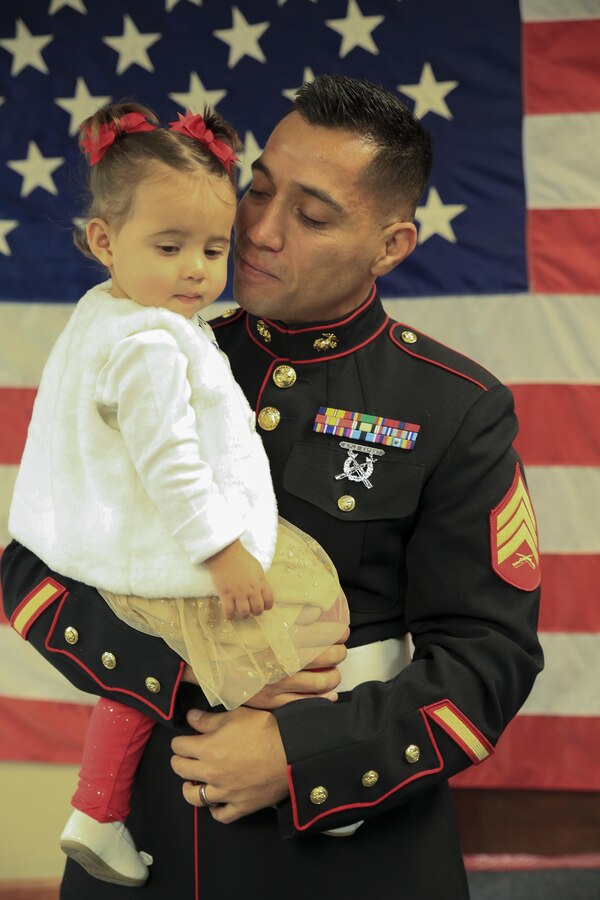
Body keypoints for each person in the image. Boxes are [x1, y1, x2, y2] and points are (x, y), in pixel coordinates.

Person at [1, 75, 543, 900]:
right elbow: (31, 568)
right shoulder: (142, 349)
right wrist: (183, 670)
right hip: (141, 847)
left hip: (344, 858)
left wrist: (301, 756)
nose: (258, 229)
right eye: (257, 188)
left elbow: (486, 660)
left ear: (391, 244)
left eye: (313, 215)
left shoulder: (453, 406)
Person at [5, 101, 348, 888]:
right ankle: (319, 772)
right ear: (103, 240)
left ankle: (95, 807)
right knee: (297, 618)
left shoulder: (115, 314)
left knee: (138, 683)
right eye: (170, 246)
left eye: (213, 248)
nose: (197, 268)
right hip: (177, 545)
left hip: (121, 544)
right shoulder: (151, 344)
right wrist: (222, 554)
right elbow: (172, 464)